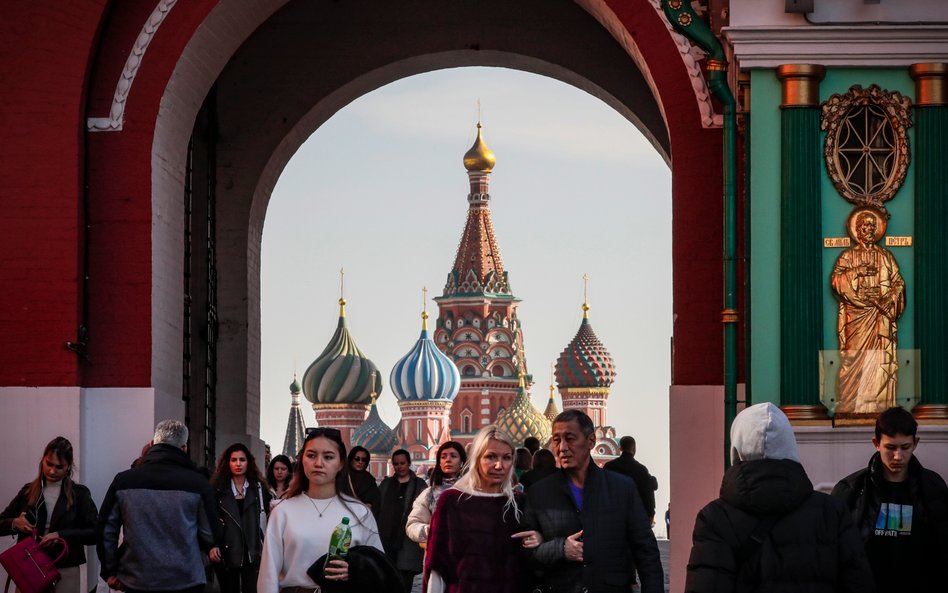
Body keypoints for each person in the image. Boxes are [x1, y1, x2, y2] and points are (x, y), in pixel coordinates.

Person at [685, 402, 873, 593]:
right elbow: (857, 583)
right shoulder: (832, 512)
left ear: (737, 447)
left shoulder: (715, 519)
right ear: (789, 445)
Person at [524, 409, 663, 593]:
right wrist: (560, 549)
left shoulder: (621, 489)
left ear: (591, 441)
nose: (562, 447)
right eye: (556, 440)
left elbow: (646, 552)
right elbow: (525, 556)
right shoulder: (539, 493)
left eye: (570, 438)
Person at [97, 420, 223, 593]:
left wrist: (110, 571)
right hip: (186, 579)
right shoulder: (198, 484)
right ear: (183, 448)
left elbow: (106, 530)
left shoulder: (123, 481)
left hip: (137, 578)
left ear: (152, 444)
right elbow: (210, 533)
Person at [831, 406, 948, 592]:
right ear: (876, 443)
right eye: (890, 447)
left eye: (905, 447)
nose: (898, 456)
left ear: (915, 443)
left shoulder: (933, 487)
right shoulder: (851, 490)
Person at [257, 427, 383, 593]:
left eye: (328, 457)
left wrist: (354, 570)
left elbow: (379, 568)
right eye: (311, 455)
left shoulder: (360, 513)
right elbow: (268, 573)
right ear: (302, 460)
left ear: (341, 464)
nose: (318, 463)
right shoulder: (283, 512)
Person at [424, 425, 542, 593]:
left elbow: (531, 564)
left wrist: (539, 538)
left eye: (506, 458)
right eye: (490, 457)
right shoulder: (452, 501)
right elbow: (437, 564)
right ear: (476, 458)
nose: (499, 465)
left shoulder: (519, 503)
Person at [831, 207, 905, 415]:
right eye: (864, 226)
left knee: (880, 359)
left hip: (879, 316)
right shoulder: (847, 256)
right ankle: (850, 405)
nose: (868, 229)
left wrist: (886, 299)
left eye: (872, 226)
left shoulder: (885, 256)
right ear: (858, 229)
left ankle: (879, 406)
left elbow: (898, 283)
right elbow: (837, 281)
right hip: (856, 317)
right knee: (853, 359)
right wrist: (858, 271)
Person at [0, 436, 99, 593]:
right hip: (29, 566)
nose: (52, 471)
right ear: (42, 460)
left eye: (59, 467)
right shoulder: (27, 492)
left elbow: (95, 533)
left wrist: (61, 535)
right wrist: (14, 523)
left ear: (68, 467)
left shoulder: (79, 495)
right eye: (48, 464)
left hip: (65, 568)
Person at [209, 443, 272, 593]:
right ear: (228, 463)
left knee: (252, 589)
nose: (238, 464)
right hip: (227, 549)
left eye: (242, 460)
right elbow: (211, 518)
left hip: (253, 549)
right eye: (234, 460)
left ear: (248, 462)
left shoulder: (258, 488)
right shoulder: (218, 489)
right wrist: (212, 544)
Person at [378, 449, 427, 592]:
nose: (399, 467)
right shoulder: (386, 484)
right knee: (386, 582)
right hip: (386, 539)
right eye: (396, 464)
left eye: (402, 463)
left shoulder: (420, 484)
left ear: (409, 463)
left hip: (407, 542)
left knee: (404, 583)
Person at [406, 440, 466, 546]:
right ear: (439, 463)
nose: (448, 460)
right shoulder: (430, 493)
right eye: (443, 457)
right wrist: (431, 530)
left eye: (453, 456)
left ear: (462, 462)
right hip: (438, 554)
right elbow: (412, 524)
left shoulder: (472, 491)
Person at [604, 435, 657, 523]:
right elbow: (647, 495)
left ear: (620, 448)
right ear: (634, 448)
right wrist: (650, 514)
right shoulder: (641, 470)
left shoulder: (609, 467)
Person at [346, 446, 381, 513]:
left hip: (361, 517)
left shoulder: (369, 479)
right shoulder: (342, 477)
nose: (360, 462)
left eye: (364, 459)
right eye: (357, 459)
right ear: (351, 460)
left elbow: (375, 502)